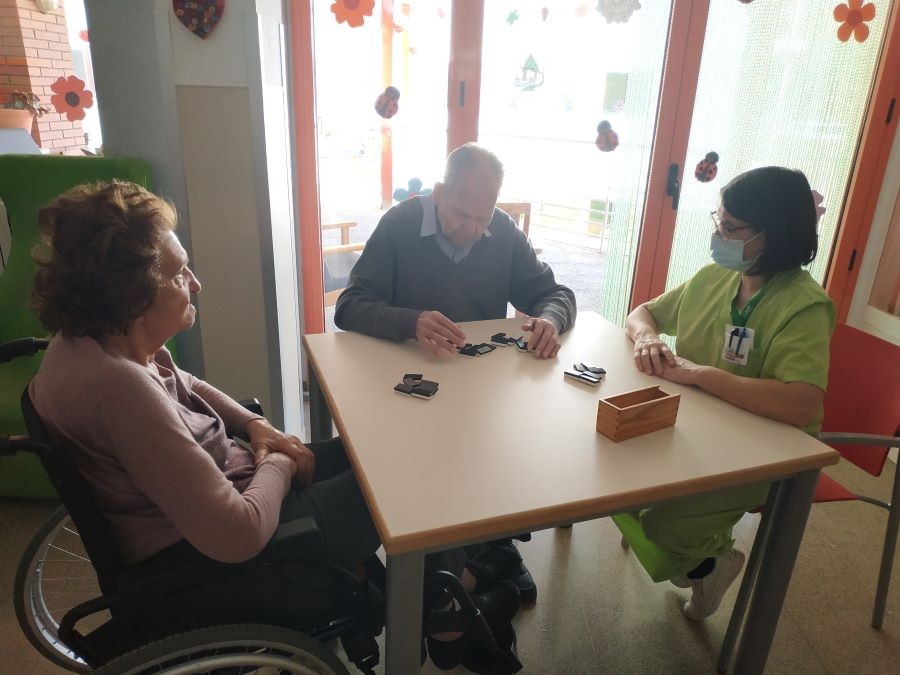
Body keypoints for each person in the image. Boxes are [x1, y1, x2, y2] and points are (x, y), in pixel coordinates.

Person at [28, 181, 521, 673]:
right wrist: (281, 461)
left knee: (387, 446)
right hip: (235, 555)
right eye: (178, 276)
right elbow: (238, 534)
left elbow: (188, 383)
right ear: (129, 295)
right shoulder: (118, 387)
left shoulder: (100, 339)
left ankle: (444, 599)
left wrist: (255, 425)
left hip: (236, 490)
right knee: (411, 478)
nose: (195, 284)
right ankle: (450, 611)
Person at [623, 166, 835, 620]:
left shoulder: (805, 305)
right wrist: (647, 338)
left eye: (731, 227)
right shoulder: (713, 277)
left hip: (767, 451)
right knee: (616, 482)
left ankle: (711, 561)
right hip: (699, 428)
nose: (719, 234)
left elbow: (801, 403)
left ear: (773, 234)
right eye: (719, 220)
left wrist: (702, 376)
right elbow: (642, 313)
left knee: (663, 524)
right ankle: (703, 563)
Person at [335, 142, 576, 359]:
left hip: (482, 370)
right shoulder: (398, 223)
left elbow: (556, 295)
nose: (472, 229)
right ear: (438, 193)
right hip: (408, 368)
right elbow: (349, 306)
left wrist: (550, 320)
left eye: (482, 218)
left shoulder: (504, 230)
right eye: (461, 214)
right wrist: (412, 322)